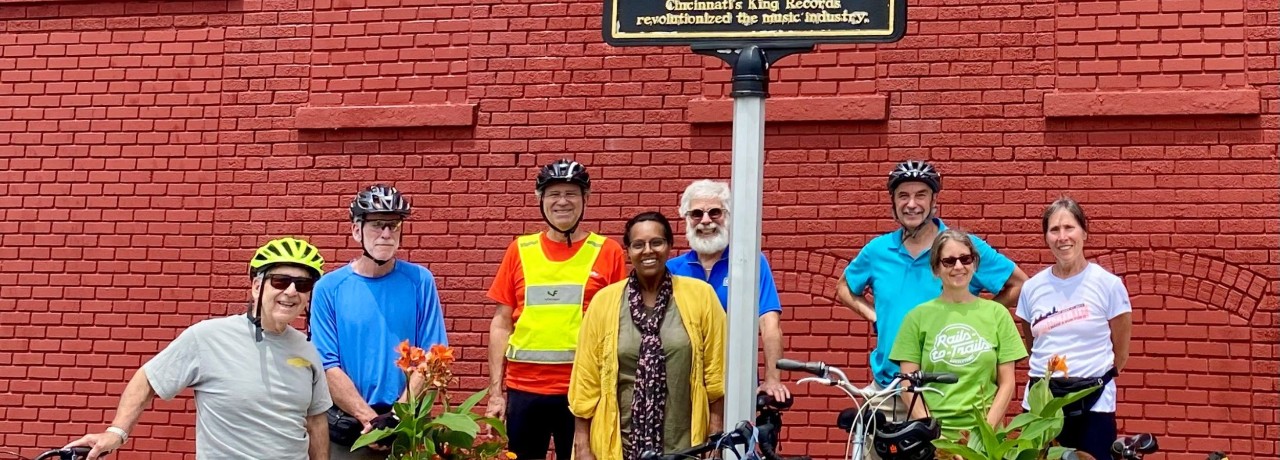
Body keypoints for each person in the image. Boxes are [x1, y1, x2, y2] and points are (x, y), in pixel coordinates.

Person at [65, 237, 332, 459]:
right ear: (256, 287)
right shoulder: (208, 337)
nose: (291, 291)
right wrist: (117, 432)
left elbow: (315, 419)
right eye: (280, 281)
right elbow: (148, 379)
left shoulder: (306, 348)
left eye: (303, 284)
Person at [835, 160, 1027, 418]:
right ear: (893, 202)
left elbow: (1019, 284)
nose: (911, 204)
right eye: (903, 195)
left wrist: (978, 316)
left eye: (920, 195)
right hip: (889, 388)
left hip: (946, 395)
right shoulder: (877, 251)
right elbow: (845, 287)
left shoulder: (959, 249)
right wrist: (874, 315)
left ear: (934, 200)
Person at [485, 159, 628, 460]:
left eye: (571, 193)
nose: (562, 201)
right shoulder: (519, 250)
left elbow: (620, 324)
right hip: (524, 390)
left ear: (586, 199)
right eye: (553, 194)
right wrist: (496, 393)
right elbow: (501, 324)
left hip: (583, 391)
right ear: (540, 200)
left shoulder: (608, 252)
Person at [569, 212, 726, 460]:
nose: (648, 251)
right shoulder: (605, 302)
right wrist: (582, 444)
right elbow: (586, 378)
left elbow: (716, 373)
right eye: (638, 244)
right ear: (628, 251)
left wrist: (716, 435)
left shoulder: (701, 297)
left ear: (670, 246)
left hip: (685, 445)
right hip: (618, 444)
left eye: (656, 242)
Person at [310, 184, 449, 460]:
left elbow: (433, 355)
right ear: (356, 230)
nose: (386, 234)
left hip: (407, 426)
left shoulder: (420, 281)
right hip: (350, 429)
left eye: (394, 225)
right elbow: (327, 365)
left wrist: (397, 416)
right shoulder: (328, 287)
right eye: (376, 225)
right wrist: (371, 421)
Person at [1016, 197, 1131, 460]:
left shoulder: (1108, 285)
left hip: (1094, 403)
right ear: (1046, 237)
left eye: (1069, 227)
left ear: (1084, 233)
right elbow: (1033, 344)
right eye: (1054, 230)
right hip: (1041, 403)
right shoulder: (1032, 288)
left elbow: (1121, 353)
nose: (1062, 236)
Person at [890, 228, 1027, 440]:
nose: (958, 266)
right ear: (936, 268)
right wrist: (934, 435)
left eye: (965, 259)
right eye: (949, 261)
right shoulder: (916, 318)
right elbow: (907, 385)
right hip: (935, 437)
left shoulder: (997, 314)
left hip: (985, 438)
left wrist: (983, 435)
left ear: (974, 263)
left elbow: (1007, 382)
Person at [665, 180, 788, 401]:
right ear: (686, 218)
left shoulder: (750, 263)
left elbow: (770, 325)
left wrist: (773, 379)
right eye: (696, 214)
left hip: (735, 382)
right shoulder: (672, 270)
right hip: (681, 384)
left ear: (728, 216)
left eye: (714, 212)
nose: (705, 221)